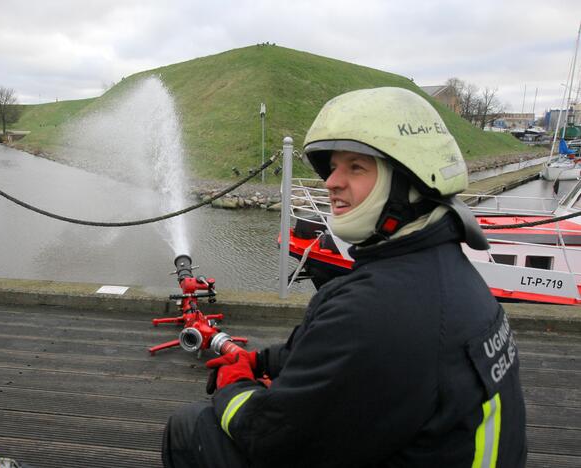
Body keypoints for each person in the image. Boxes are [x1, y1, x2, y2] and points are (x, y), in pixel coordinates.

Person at [162, 87, 527, 468]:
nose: (331, 182)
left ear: (408, 182)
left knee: (192, 429)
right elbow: (334, 353)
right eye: (333, 167)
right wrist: (260, 362)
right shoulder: (445, 273)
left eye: (355, 167)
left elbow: (271, 436)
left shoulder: (374, 310)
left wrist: (233, 386)